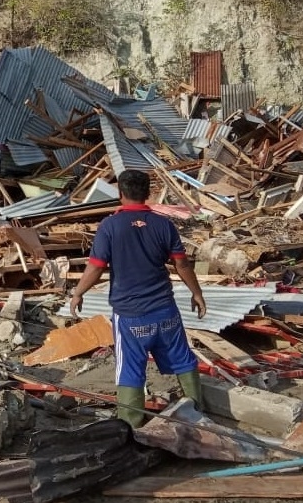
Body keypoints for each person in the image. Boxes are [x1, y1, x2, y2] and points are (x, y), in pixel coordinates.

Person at [69, 170, 207, 428]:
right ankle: (197, 413)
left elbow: (96, 267)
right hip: (165, 310)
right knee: (182, 359)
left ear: (120, 193)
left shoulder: (110, 226)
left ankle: (131, 426)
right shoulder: (164, 225)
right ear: (148, 193)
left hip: (130, 316)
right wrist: (197, 293)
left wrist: (78, 293)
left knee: (130, 369)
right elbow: (182, 264)